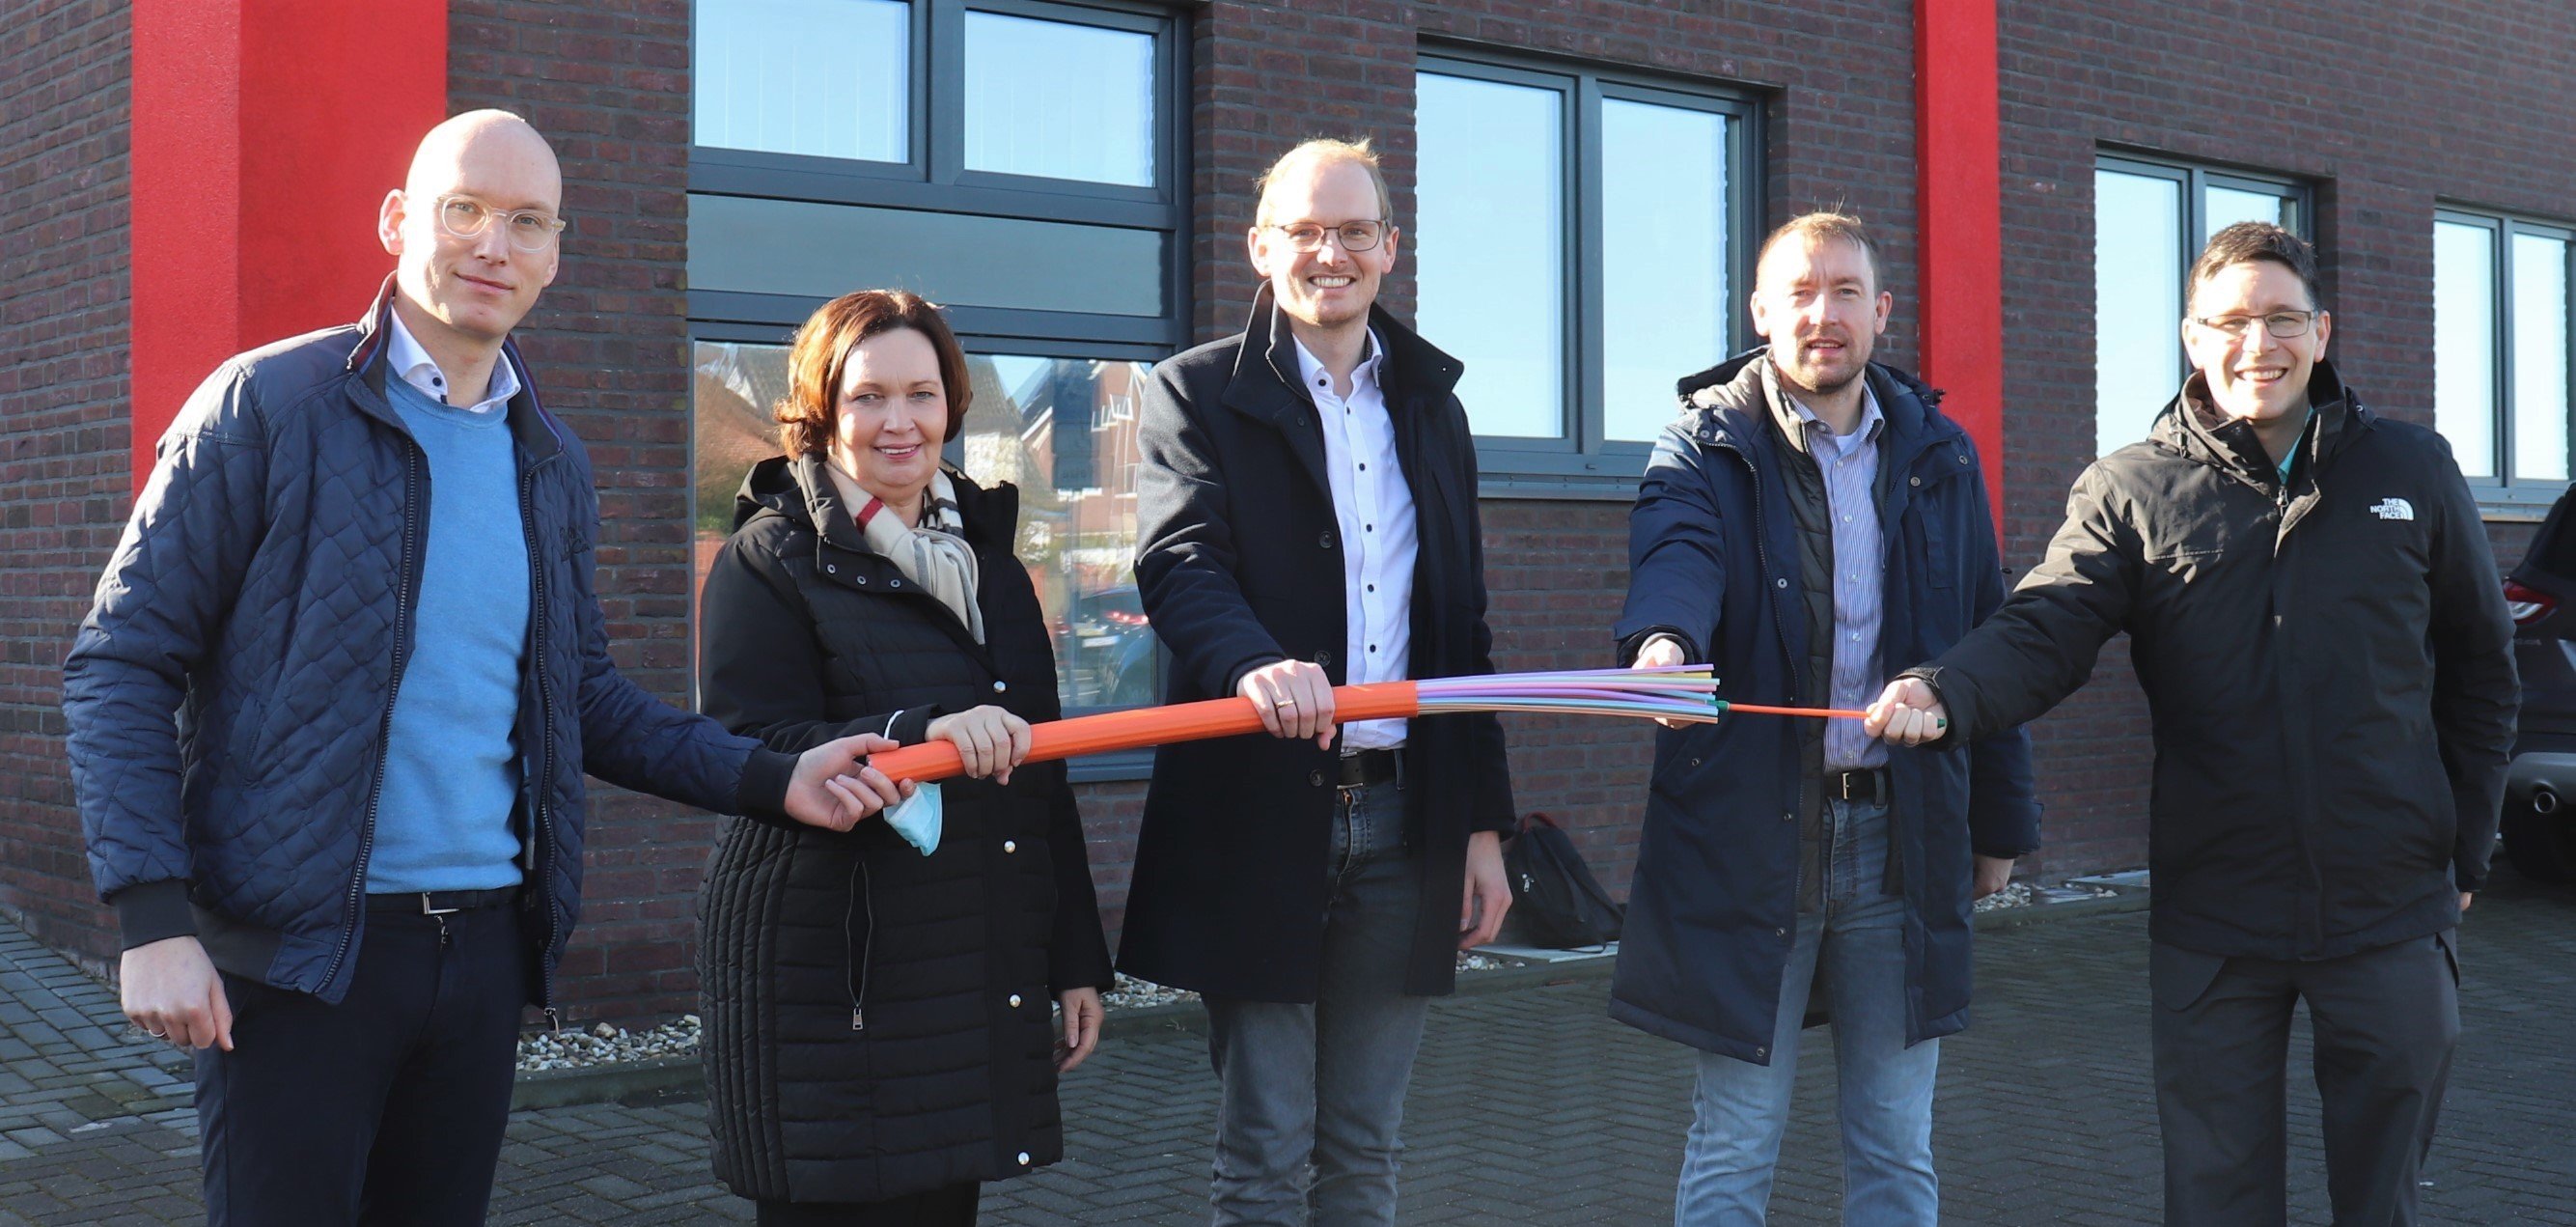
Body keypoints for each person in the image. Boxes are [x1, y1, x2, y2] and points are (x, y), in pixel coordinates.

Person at [58, 111, 907, 1227]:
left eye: (525, 221)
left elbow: (583, 694)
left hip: (482, 952)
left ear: (555, 252)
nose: (491, 244)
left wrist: (771, 777)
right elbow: (120, 659)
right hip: (301, 959)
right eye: (463, 209)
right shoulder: (266, 406)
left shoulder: (548, 460)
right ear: (399, 220)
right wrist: (152, 921)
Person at [1867, 221, 2518, 1225]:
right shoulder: (2130, 488)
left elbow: (2479, 669)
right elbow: (2043, 623)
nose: (2256, 343)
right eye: (2228, 322)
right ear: (2187, 336)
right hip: (2217, 911)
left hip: (2390, 899)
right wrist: (1946, 689)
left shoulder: (2411, 468)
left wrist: (2464, 849)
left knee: (2382, 1195)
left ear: (2320, 329)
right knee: (2214, 1196)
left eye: (2279, 319)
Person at [1612, 212, 2039, 1224]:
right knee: (1733, 1142)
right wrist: (1662, 644)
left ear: (1879, 311)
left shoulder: (1941, 453)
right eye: (1798, 293)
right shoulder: (1703, 441)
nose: (1821, 313)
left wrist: (2001, 822)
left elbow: (1987, 636)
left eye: (1844, 291)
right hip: (1751, 834)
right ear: (1760, 312)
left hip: (1906, 839)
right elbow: (1674, 554)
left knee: (1894, 1147)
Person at [1122, 137, 1516, 1226]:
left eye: (1351, 231)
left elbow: (1460, 633)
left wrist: (1483, 824)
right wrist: (1253, 660)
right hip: (1258, 812)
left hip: (1405, 820)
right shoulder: (1193, 391)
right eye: (1303, 230)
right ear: (1261, 248)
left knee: (1361, 1148)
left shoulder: (1434, 405)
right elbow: (1177, 558)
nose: (1327, 252)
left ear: (1389, 248)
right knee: (1262, 1147)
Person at [693, 290, 1115, 1225]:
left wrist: (1073, 960)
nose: (898, 422)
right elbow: (747, 743)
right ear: (822, 409)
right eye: (868, 396)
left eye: (921, 395)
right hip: (832, 980)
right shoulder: (769, 557)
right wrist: (920, 730)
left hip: (960, 963)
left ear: (951, 406)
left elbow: (1039, 777)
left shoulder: (993, 570)